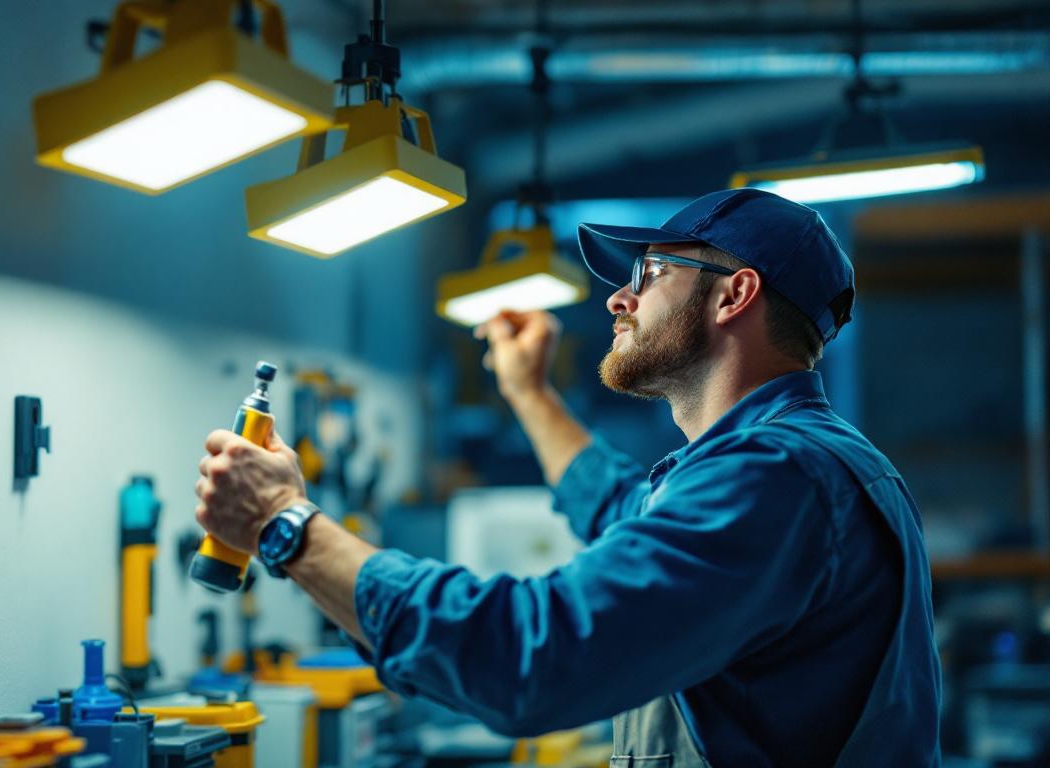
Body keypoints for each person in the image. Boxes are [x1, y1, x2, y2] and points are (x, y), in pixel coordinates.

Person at [193, 189, 940, 767]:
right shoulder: (801, 460)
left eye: (649, 272)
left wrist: (283, 523)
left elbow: (533, 659)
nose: (618, 298)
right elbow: (622, 510)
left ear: (733, 295)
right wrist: (530, 393)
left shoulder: (777, 474)